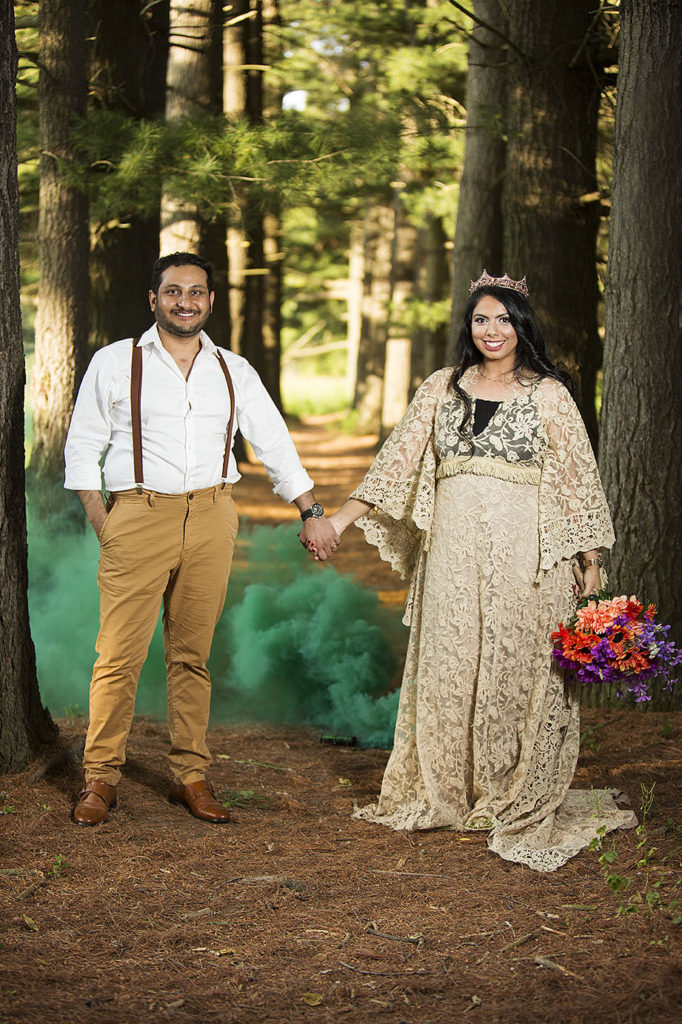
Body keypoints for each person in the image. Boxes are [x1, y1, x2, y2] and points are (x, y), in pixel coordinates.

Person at [312, 271, 636, 871]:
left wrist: (591, 560)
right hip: (454, 555)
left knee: (519, 660)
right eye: (482, 319)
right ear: (469, 326)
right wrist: (338, 520)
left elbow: (577, 478)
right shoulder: (441, 388)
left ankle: (510, 790)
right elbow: (397, 464)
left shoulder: (550, 396)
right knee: (451, 657)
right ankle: (447, 789)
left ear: (521, 327)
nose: (493, 330)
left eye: (504, 319)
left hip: (529, 554)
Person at [64, 251, 339, 827]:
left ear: (210, 301)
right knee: (118, 656)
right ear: (153, 299)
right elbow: (81, 447)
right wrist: (106, 524)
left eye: (196, 292)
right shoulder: (115, 362)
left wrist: (311, 510)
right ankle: (100, 777)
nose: (184, 302)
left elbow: (275, 443)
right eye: (173, 291)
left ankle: (192, 774)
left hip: (213, 516)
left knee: (193, 655)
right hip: (137, 516)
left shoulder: (234, 370)